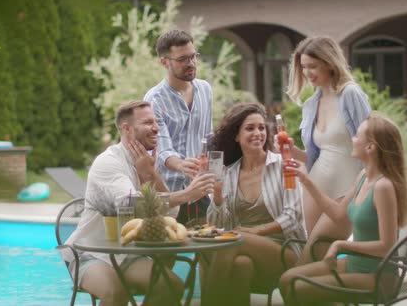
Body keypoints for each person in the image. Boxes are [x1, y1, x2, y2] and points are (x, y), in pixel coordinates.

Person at [63, 101, 215, 306]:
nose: (156, 127)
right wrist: (187, 194)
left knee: (170, 285)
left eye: (156, 122)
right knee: (115, 291)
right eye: (148, 122)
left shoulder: (145, 161)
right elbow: (131, 204)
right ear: (127, 129)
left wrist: (150, 174)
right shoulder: (108, 162)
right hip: (90, 253)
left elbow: (170, 214)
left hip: (126, 255)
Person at [279, 113, 407, 305]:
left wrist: (341, 245)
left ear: (370, 147)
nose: (352, 139)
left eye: (357, 136)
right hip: (354, 264)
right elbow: (338, 214)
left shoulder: (383, 187)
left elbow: (386, 247)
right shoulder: (363, 177)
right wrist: (306, 181)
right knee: (287, 280)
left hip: (378, 276)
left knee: (298, 288)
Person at [201, 103, 306, 306]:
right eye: (250, 128)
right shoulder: (229, 174)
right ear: (236, 136)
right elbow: (216, 223)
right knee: (242, 265)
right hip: (241, 249)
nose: (257, 133)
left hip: (284, 250)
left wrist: (255, 232)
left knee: (230, 241)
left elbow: (294, 216)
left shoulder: (284, 165)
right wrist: (218, 197)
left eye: (261, 128)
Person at [281, 35, 371, 263]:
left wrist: (367, 185)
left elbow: (374, 143)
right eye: (303, 67)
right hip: (315, 187)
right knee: (315, 254)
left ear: (329, 63)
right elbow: (315, 156)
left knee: (310, 255)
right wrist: (292, 151)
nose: (307, 72)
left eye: (313, 66)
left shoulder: (350, 94)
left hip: (348, 190)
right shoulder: (311, 104)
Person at [144, 29, 213, 226]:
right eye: (183, 59)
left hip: (198, 188)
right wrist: (182, 165)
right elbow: (162, 150)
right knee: (165, 255)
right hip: (167, 193)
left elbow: (208, 137)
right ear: (165, 62)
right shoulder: (154, 100)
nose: (190, 63)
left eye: (193, 56)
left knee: (208, 250)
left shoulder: (205, 90)